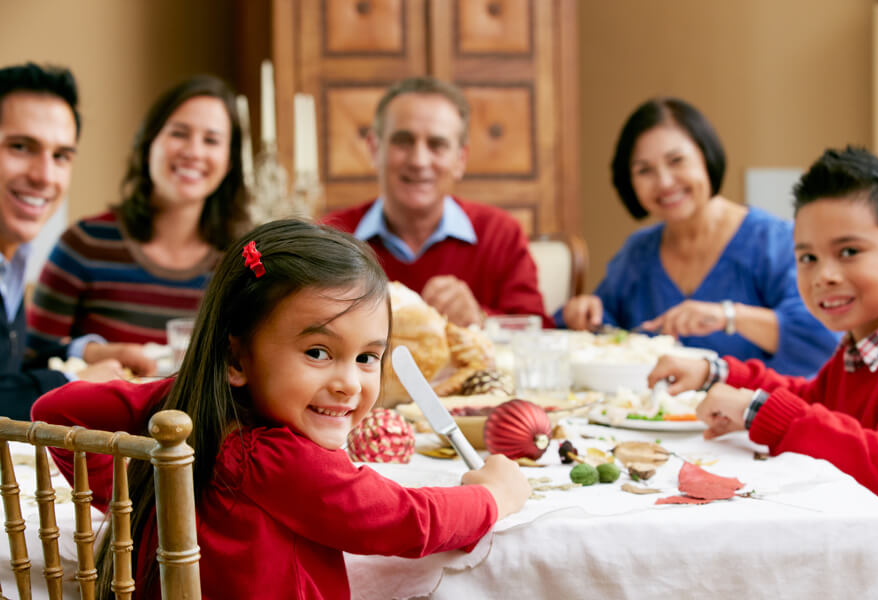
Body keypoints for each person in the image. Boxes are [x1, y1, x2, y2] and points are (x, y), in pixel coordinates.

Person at [32, 219, 530, 599]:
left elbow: (58, 410)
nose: (348, 383)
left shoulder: (201, 422)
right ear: (236, 358)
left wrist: (136, 490)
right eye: (318, 353)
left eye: (366, 358)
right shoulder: (277, 459)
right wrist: (492, 496)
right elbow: (406, 520)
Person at [650, 146, 878, 509]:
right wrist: (716, 372)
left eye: (849, 251)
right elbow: (811, 400)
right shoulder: (857, 353)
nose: (824, 276)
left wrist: (756, 410)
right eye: (808, 258)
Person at [558, 97, 838, 376]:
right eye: (644, 170)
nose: (665, 183)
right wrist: (585, 313)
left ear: (706, 156)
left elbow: (823, 338)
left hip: (753, 414)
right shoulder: (638, 252)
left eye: (676, 161)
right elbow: (606, 328)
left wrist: (728, 316)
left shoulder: (773, 241)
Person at [27, 74, 249, 353]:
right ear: (148, 145)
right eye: (179, 133)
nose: (194, 151)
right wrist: (91, 352)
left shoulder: (242, 264)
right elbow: (30, 358)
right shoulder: (84, 244)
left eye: (211, 140)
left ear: (229, 162)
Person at [322, 76, 548, 328]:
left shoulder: (501, 234)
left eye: (437, 145)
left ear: (461, 159)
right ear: (375, 149)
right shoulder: (333, 237)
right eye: (403, 141)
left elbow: (538, 332)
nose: (419, 160)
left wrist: (480, 319)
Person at [0, 62, 150, 420]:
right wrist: (72, 381)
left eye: (61, 156)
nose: (44, 176)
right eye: (20, 147)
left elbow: (7, 369)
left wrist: (86, 352)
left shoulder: (13, 258)